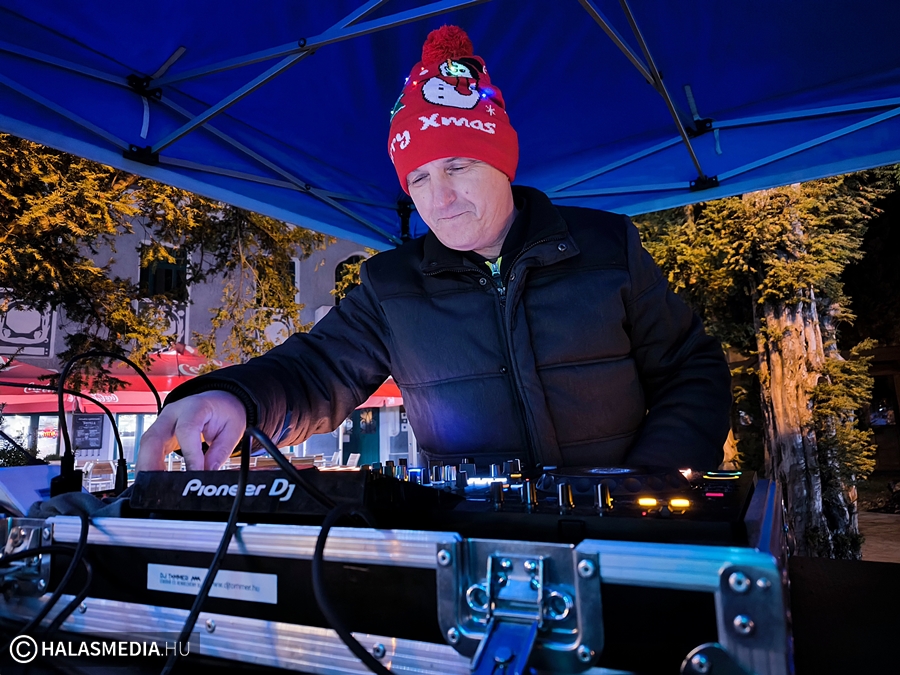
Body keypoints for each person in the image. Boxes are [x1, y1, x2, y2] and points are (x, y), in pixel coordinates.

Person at [137, 26, 731, 474]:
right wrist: (234, 399)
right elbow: (313, 372)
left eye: (459, 167)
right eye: (418, 178)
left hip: (625, 541)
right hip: (470, 547)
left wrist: (649, 483)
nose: (439, 199)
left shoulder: (607, 247)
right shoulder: (391, 286)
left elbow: (692, 369)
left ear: (502, 164)